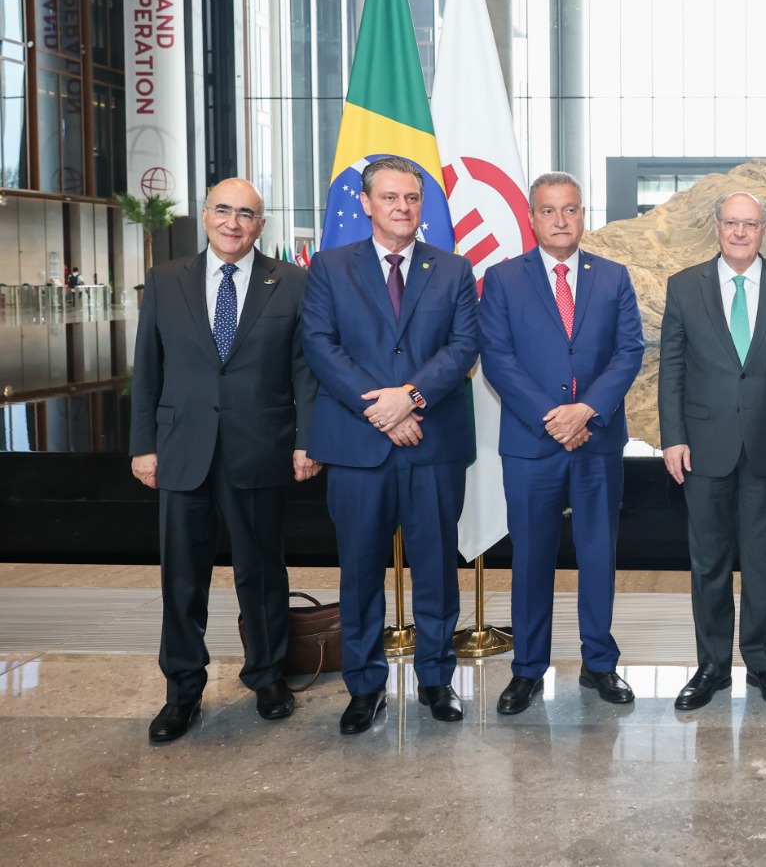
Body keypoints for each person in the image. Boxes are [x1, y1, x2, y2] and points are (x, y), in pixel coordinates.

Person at [129, 178, 319, 744]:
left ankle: (268, 677)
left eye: (246, 214)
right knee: (182, 579)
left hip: (259, 447)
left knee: (261, 573)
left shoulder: (292, 283)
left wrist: (306, 441)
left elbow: (305, 371)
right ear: (205, 214)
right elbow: (147, 368)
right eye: (223, 210)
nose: (233, 222)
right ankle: (182, 690)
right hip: (182, 449)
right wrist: (143, 445)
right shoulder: (166, 280)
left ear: (261, 225)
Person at [300, 156, 480, 735]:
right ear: (367, 203)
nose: (402, 207)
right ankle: (364, 687)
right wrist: (380, 409)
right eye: (390, 197)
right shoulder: (329, 267)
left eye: (412, 198)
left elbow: (463, 346)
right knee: (359, 573)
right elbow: (320, 345)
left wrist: (410, 397)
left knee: (437, 570)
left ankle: (436, 679)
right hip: (358, 446)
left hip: (433, 442)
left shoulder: (453, 269)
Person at [479, 172, 645, 715]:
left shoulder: (613, 277)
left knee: (598, 555)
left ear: (582, 215)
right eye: (548, 210)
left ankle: (600, 663)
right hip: (533, 443)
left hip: (597, 440)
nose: (560, 220)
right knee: (531, 558)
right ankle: (528, 669)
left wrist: (586, 410)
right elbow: (497, 357)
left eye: (570, 209)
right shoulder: (503, 279)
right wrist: (552, 418)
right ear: (532, 218)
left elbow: (628, 351)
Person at [658, 190, 766, 710]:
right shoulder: (684, 286)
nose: (740, 232)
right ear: (717, 227)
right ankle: (712, 666)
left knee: (764, 561)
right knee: (709, 561)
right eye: (731, 223)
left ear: (764, 230)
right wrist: (673, 437)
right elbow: (672, 368)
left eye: (750, 224)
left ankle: (763, 662)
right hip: (703, 446)